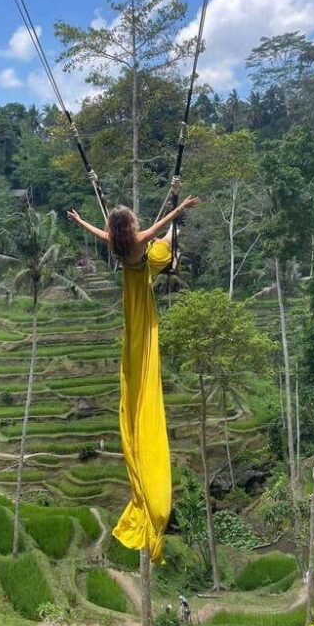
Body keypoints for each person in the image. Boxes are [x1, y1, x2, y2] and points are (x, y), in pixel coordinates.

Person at [67, 195, 200, 564]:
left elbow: (99, 231)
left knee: (159, 248)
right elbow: (158, 226)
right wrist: (180, 207)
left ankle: (170, 251)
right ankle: (174, 250)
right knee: (165, 242)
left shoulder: (117, 244)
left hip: (132, 290)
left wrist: (80, 221)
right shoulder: (139, 240)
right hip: (146, 278)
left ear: (115, 230)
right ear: (130, 226)